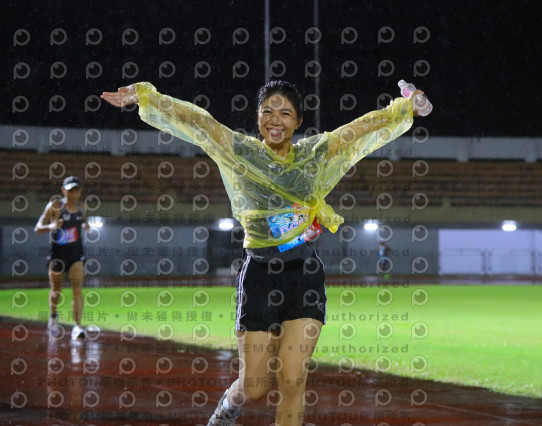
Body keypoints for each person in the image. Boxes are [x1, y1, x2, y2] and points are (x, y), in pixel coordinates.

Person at [101, 80, 429, 426]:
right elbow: (201, 123)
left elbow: (359, 129)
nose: (275, 120)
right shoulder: (242, 152)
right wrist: (148, 97)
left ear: (298, 121)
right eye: (268, 111)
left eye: (285, 113)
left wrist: (404, 107)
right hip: (259, 276)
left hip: (304, 276)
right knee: (254, 387)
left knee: (293, 381)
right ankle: (228, 406)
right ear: (257, 117)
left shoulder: (314, 154)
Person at [34, 176, 89, 340]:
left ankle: (77, 326)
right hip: (57, 255)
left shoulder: (81, 207)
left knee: (77, 290)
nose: (74, 194)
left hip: (76, 254)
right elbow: (38, 228)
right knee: (56, 291)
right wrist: (51, 226)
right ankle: (53, 317)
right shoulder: (55, 206)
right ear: (63, 190)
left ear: (80, 191)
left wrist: (85, 225)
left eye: (76, 190)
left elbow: (82, 222)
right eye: (70, 190)